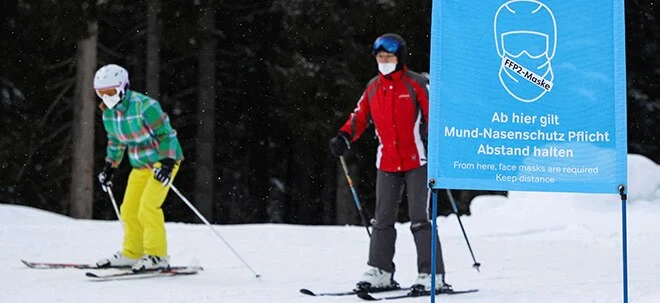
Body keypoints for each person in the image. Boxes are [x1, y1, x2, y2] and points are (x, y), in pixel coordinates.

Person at [329, 34, 449, 292]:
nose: (383, 61)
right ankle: (380, 271)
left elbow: (434, 117)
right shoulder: (374, 87)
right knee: (382, 220)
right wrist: (344, 136)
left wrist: (438, 140)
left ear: (400, 58)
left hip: (418, 159)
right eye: (380, 57)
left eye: (389, 57)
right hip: (387, 162)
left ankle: (431, 275)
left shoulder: (417, 84)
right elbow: (359, 117)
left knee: (420, 218)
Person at [93, 64, 184, 272]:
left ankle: (158, 255)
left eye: (110, 92)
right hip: (140, 166)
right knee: (129, 210)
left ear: (124, 88)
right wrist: (110, 167)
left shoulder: (145, 107)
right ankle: (132, 253)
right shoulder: (108, 114)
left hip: (163, 162)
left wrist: (167, 164)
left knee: (148, 207)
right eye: (101, 93)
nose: (106, 98)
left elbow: (167, 135)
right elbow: (115, 141)